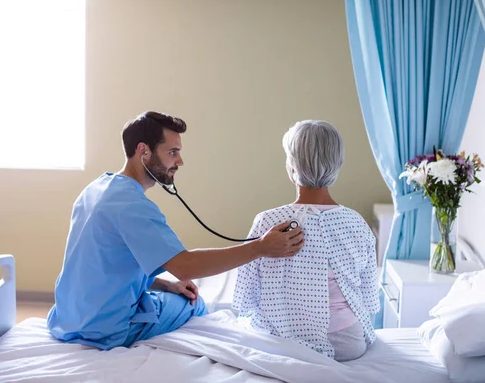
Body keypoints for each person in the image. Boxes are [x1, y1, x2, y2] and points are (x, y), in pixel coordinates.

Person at [47, 111, 304, 350]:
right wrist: (261, 247)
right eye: (172, 152)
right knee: (194, 305)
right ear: (143, 151)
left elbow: (103, 263)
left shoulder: (96, 188)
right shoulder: (133, 206)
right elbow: (185, 267)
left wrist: (163, 284)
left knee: (173, 290)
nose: (179, 161)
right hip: (104, 330)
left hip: (66, 318)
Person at [232, 120, 380, 362]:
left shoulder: (268, 221)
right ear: (337, 164)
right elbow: (369, 298)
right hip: (350, 344)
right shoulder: (357, 223)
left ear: (292, 166)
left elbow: (246, 297)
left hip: (286, 342)